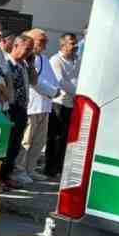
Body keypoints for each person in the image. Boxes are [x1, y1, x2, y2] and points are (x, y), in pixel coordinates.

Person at [17, 29, 59, 183]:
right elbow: (35, 81)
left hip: (45, 105)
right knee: (26, 141)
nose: (45, 45)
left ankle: (30, 169)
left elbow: (54, 79)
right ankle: (20, 170)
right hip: (32, 106)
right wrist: (53, 91)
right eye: (42, 41)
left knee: (39, 142)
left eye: (45, 41)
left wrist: (55, 90)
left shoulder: (44, 59)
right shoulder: (29, 59)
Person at [45, 33, 80, 180]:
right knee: (55, 137)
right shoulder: (55, 60)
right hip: (59, 103)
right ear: (63, 45)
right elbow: (60, 81)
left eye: (76, 43)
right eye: (72, 43)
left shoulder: (77, 60)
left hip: (73, 103)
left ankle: (60, 167)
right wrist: (78, 92)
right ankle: (50, 168)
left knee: (66, 138)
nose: (75, 46)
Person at [3, 35, 36, 189]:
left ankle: (7, 175)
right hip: (10, 107)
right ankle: (0, 176)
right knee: (7, 144)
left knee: (16, 144)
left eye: (31, 50)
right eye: (27, 49)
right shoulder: (5, 63)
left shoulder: (24, 64)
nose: (29, 52)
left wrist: (31, 64)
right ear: (16, 46)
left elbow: (34, 81)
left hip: (22, 108)